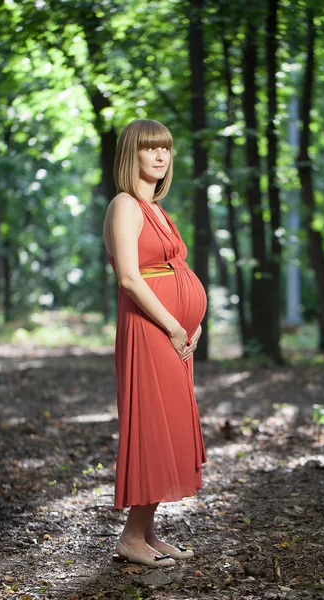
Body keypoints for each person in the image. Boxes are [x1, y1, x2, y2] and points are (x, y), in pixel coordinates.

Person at [103, 118, 207, 568]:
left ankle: (148, 533)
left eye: (166, 148)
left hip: (173, 332)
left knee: (172, 428)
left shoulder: (158, 209)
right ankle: (130, 538)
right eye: (150, 148)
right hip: (149, 330)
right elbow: (129, 277)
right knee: (153, 428)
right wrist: (173, 323)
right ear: (132, 155)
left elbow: (174, 271)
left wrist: (193, 320)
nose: (160, 157)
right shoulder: (125, 205)